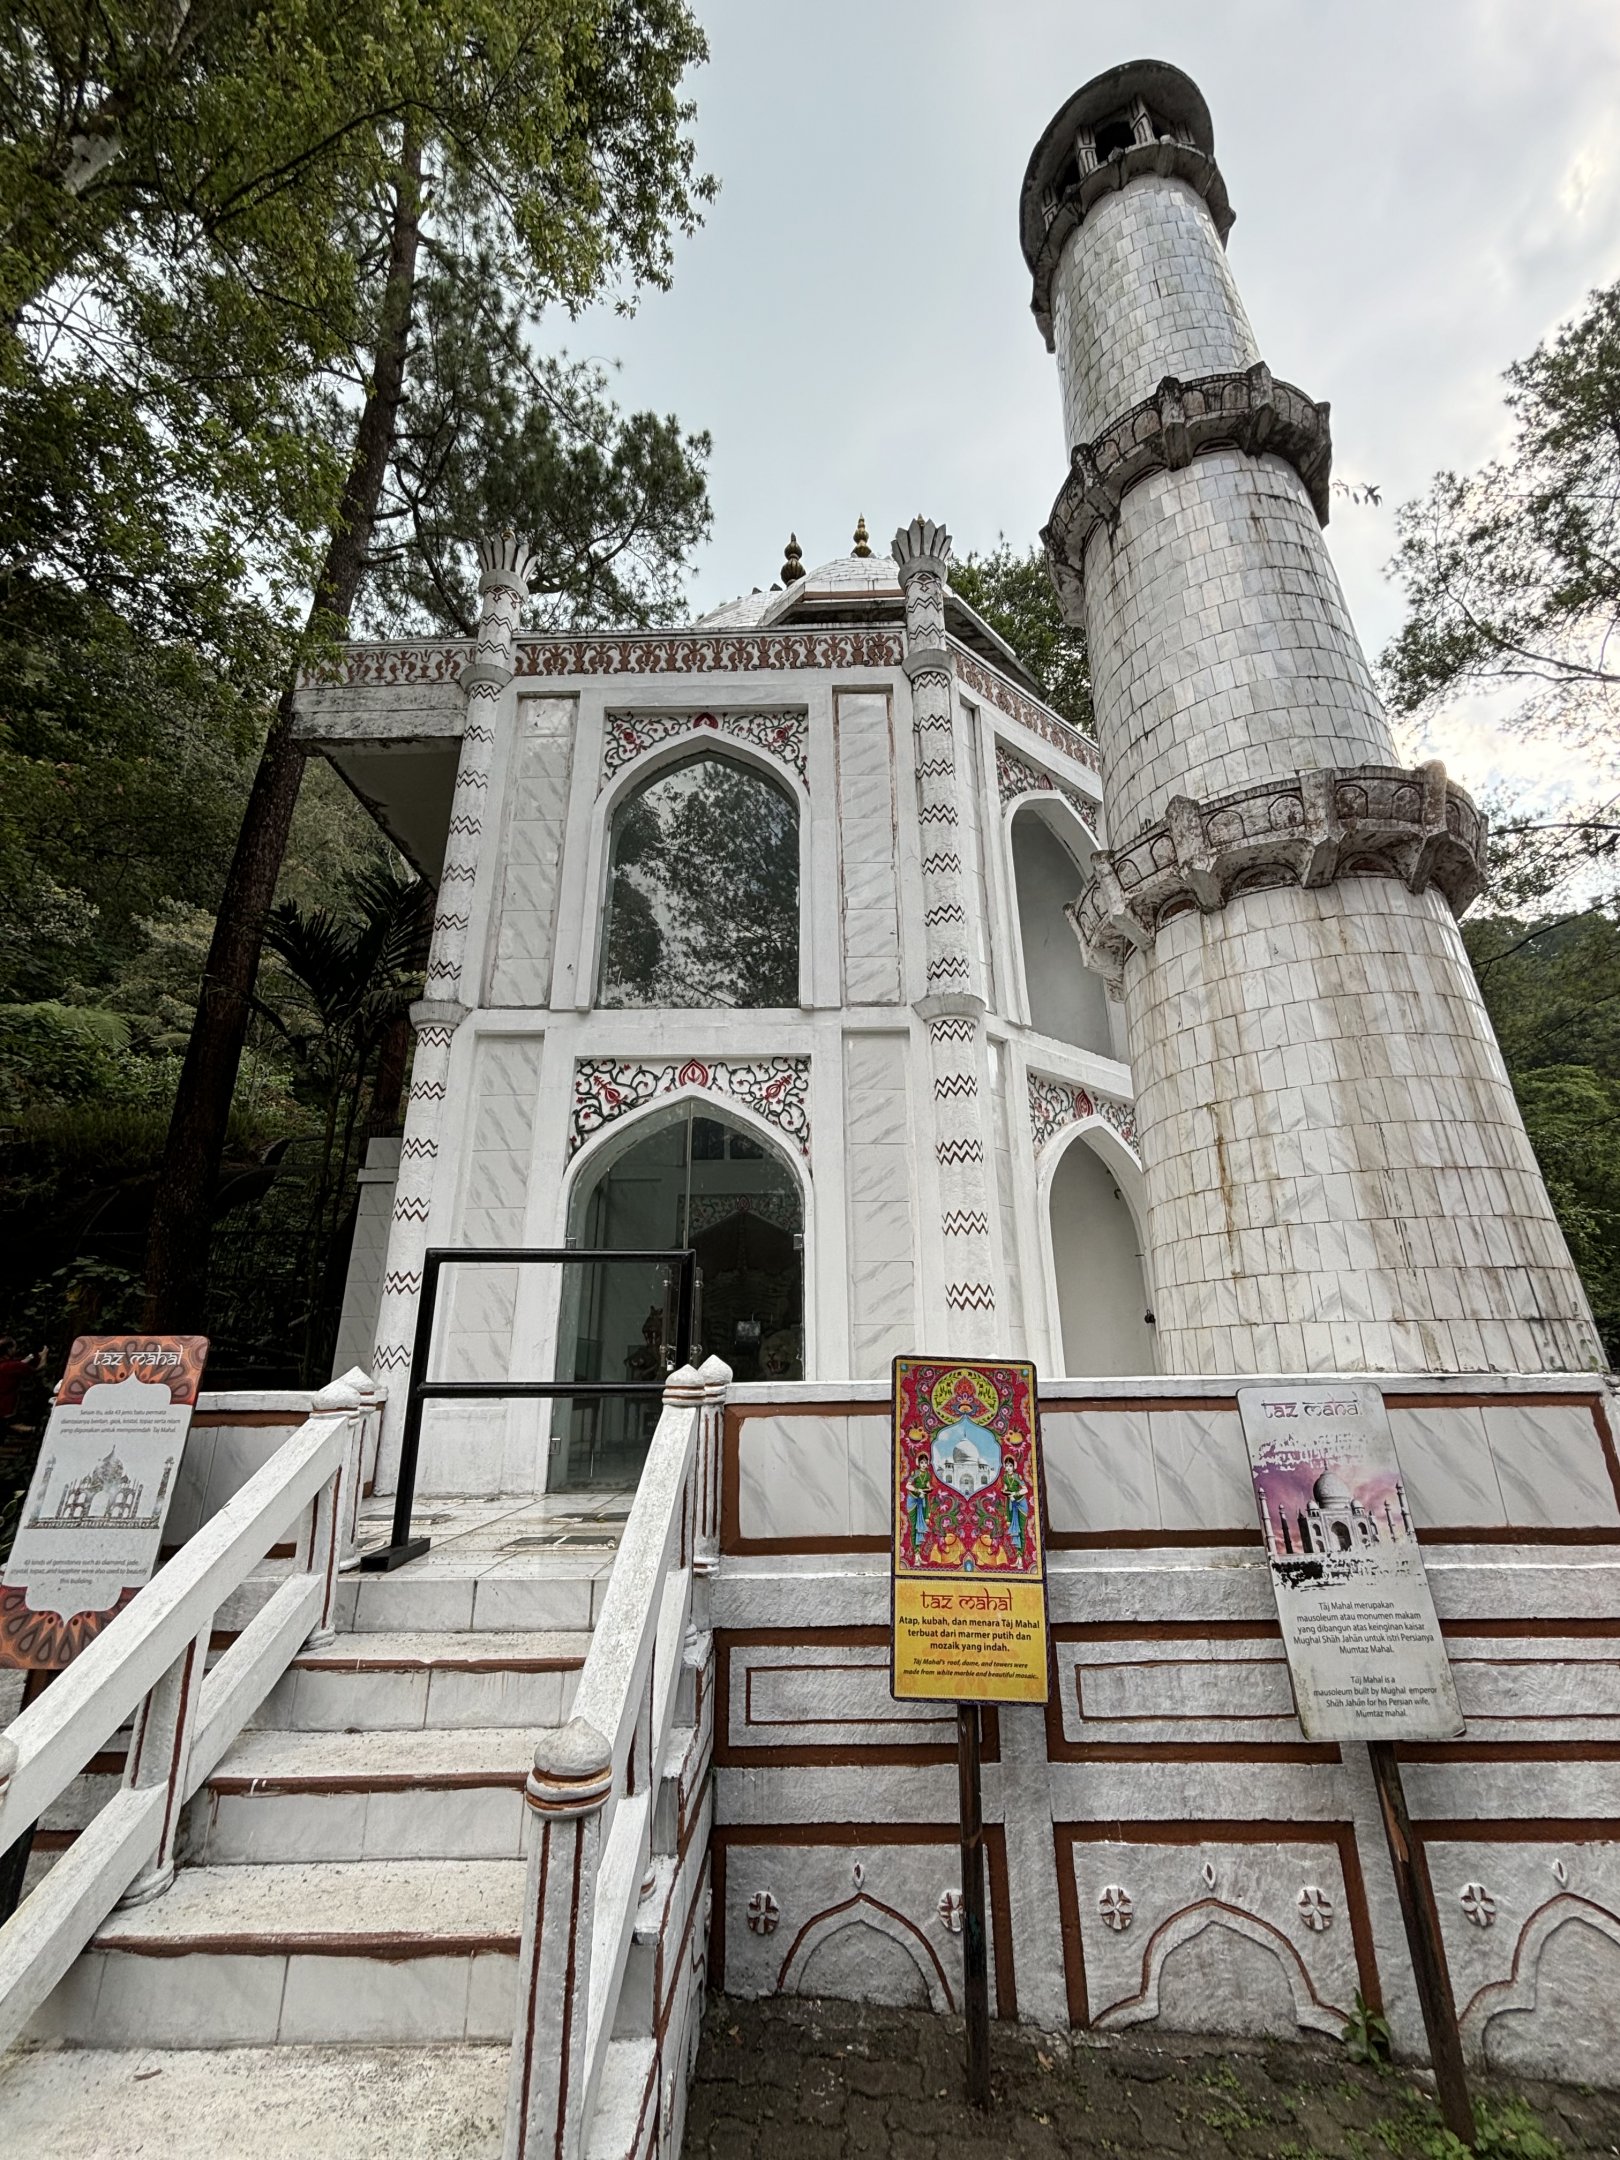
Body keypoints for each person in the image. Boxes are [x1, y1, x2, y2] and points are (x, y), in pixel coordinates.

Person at [0, 1340, 43, 1426]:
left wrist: (29, 1358)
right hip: (6, 1405)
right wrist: (44, 1355)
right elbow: (38, 1368)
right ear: (9, 1350)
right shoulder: (12, 1366)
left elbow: (19, 1364)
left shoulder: (5, 1365)